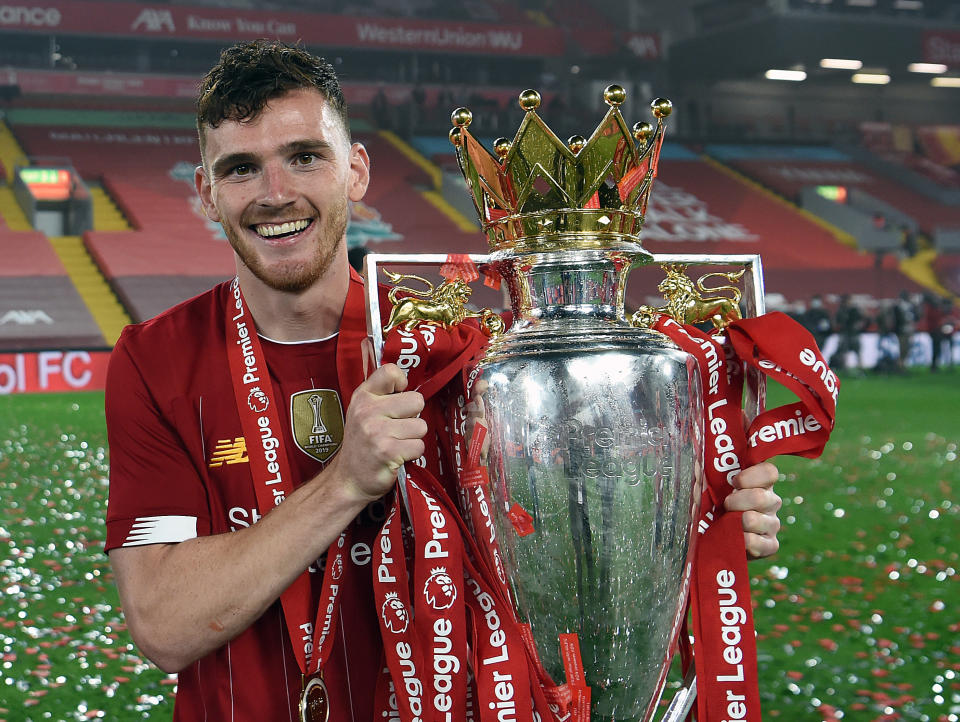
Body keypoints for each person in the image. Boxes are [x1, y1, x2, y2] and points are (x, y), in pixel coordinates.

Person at [104, 40, 784, 721]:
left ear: (356, 171)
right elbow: (165, 627)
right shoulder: (156, 359)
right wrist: (346, 482)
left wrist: (683, 520)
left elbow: (550, 570)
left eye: (305, 156)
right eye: (241, 169)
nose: (275, 193)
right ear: (207, 194)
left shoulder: (453, 358)